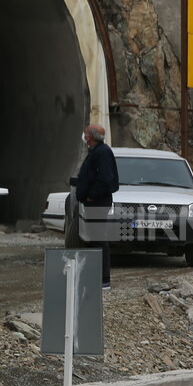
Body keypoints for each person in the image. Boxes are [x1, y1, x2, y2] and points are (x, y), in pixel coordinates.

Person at [75, 124, 118, 289]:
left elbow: (105, 179)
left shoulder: (102, 152)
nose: (84, 135)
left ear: (90, 136)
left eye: (86, 132)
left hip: (98, 203)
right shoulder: (95, 152)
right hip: (94, 203)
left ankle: (103, 280)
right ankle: (96, 277)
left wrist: (92, 195)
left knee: (99, 240)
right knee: (94, 240)